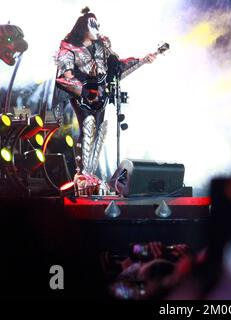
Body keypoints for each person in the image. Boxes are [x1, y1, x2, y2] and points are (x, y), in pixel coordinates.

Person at [55, 7, 155, 194]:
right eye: (94, 26)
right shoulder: (69, 47)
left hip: (101, 96)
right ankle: (83, 174)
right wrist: (83, 90)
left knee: (100, 131)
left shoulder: (103, 45)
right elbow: (64, 76)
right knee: (88, 126)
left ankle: (90, 174)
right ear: (83, 27)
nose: (98, 29)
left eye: (98, 26)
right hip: (83, 97)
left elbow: (116, 67)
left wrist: (142, 60)